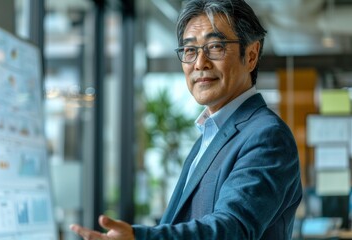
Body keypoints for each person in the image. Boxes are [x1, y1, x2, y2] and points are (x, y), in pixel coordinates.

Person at [70, 0, 302, 239]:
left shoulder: (267, 136)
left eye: (215, 46)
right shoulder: (210, 134)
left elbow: (233, 228)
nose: (200, 63)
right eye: (190, 50)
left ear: (251, 55)